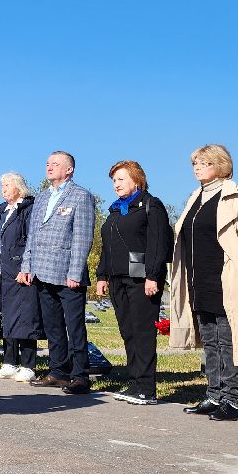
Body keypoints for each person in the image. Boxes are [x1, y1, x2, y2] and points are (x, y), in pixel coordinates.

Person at [169, 144, 238, 422]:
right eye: (195, 164)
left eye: (204, 163)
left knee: (228, 340)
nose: (197, 168)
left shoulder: (236, 196)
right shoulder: (194, 198)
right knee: (210, 340)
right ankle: (213, 394)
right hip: (198, 279)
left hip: (226, 278)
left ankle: (232, 400)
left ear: (220, 165)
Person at [94, 161, 173, 406]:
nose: (116, 184)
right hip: (117, 278)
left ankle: (147, 388)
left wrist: (152, 275)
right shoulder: (115, 210)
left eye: (121, 179)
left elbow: (158, 243)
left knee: (142, 332)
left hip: (141, 279)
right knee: (128, 332)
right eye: (113, 180)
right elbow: (107, 247)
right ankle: (135, 383)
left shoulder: (151, 205)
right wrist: (101, 275)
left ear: (136, 180)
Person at [18, 152, 97, 394]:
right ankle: (58, 371)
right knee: (53, 326)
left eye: (55, 164)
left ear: (69, 169)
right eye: (48, 163)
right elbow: (33, 235)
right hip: (42, 271)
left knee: (75, 327)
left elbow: (82, 237)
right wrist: (27, 266)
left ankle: (80, 375)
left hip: (67, 274)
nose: (49, 167)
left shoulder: (81, 196)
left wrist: (75, 272)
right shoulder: (42, 197)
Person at [0, 173, 41, 381]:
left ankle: (28, 365)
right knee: (6, 316)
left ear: (19, 187)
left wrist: (26, 267)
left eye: (7, 185)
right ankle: (9, 362)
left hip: (19, 270)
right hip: (0, 270)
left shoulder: (28, 209)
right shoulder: (1, 211)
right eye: (2, 185)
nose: (3, 189)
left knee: (25, 316)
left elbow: (31, 241)